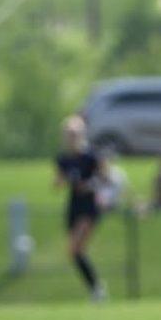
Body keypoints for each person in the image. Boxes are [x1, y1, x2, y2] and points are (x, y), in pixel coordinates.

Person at [54, 116, 107, 301]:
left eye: (74, 134)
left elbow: (104, 178)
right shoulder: (63, 159)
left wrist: (88, 185)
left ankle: (97, 289)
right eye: (68, 134)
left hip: (89, 205)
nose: (71, 138)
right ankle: (95, 287)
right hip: (73, 205)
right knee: (74, 252)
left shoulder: (91, 156)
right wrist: (63, 180)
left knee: (76, 248)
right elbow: (58, 182)